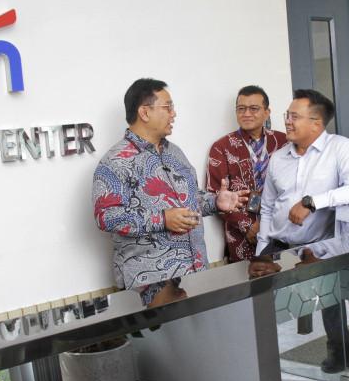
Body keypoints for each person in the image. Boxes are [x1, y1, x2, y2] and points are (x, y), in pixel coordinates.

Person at [92, 78, 246, 302]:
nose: (174, 114)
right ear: (145, 112)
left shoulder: (175, 153)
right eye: (168, 107)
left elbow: (190, 200)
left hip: (196, 274)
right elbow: (106, 217)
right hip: (152, 286)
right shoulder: (114, 162)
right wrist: (162, 219)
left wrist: (215, 202)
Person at [256, 88, 349, 373]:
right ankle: (271, 371)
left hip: (320, 246)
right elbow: (267, 207)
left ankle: (338, 356)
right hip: (279, 248)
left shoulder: (340, 147)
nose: (287, 121)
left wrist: (312, 202)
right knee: (271, 310)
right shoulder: (278, 157)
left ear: (316, 123)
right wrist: (262, 251)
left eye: (294, 116)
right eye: (287, 115)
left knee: (331, 306)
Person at [206, 85, 288, 263]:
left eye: (254, 108)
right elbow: (214, 196)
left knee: (287, 273)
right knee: (248, 278)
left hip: (282, 228)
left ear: (267, 112)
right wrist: (247, 226)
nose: (246, 114)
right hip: (242, 236)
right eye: (241, 109)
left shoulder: (284, 142)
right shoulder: (222, 147)